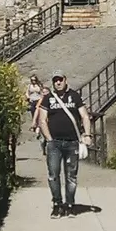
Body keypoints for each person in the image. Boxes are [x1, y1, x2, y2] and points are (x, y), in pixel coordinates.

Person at [38, 69, 92, 217]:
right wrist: (49, 139)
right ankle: (57, 203)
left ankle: (70, 204)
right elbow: (42, 120)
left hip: (72, 143)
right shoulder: (48, 98)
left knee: (71, 176)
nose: (58, 82)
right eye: (55, 80)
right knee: (53, 175)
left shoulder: (74, 96)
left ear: (65, 80)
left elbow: (85, 116)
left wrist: (87, 134)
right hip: (54, 143)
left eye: (60, 79)